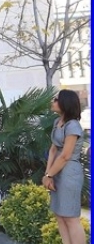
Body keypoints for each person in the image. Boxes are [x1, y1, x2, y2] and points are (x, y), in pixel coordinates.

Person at [43, 90, 86, 244]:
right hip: (56, 171)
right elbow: (53, 150)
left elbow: (65, 155)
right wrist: (48, 175)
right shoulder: (57, 122)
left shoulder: (73, 125)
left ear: (65, 103)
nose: (53, 102)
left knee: (70, 218)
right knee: (60, 216)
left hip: (69, 174)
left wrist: (49, 175)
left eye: (56, 100)